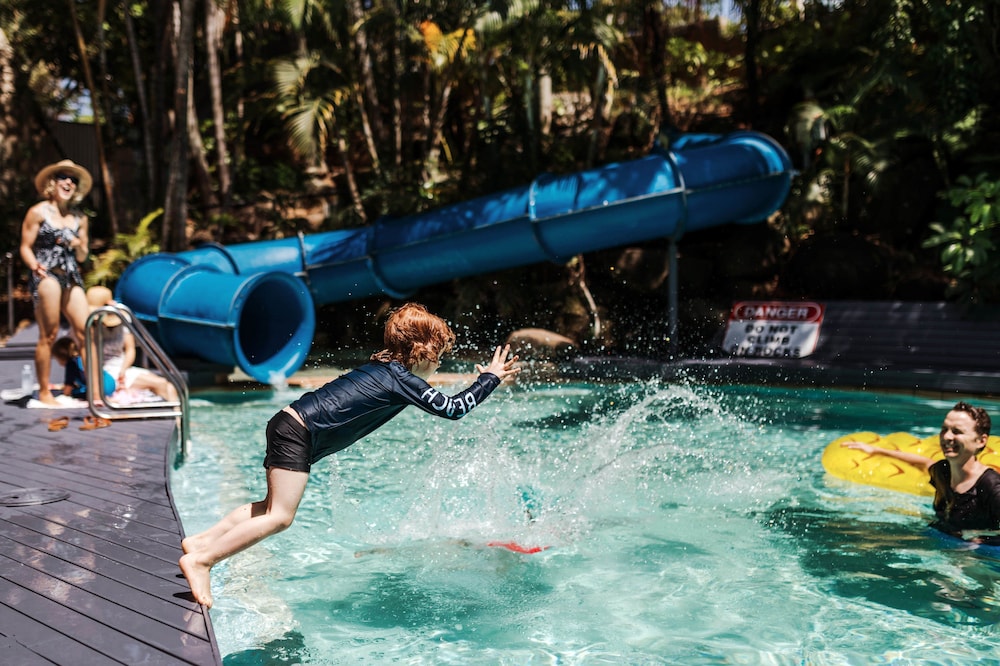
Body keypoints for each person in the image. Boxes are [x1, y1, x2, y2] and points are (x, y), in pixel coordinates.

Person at [179, 303, 521, 608]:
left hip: (289, 424)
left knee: (269, 508)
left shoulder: (385, 368)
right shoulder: (400, 378)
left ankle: (200, 542)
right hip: (299, 431)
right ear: (424, 349)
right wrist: (489, 379)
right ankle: (203, 560)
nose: (440, 362)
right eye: (440, 354)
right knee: (280, 517)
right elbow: (453, 408)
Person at [842, 402, 1000, 545]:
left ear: (981, 441)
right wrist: (877, 450)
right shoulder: (943, 471)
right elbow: (924, 462)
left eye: (957, 431)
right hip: (941, 537)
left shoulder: (990, 486)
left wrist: (979, 541)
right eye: (944, 429)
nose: (946, 436)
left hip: (977, 556)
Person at [19, 159, 93, 405]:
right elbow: (25, 247)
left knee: (85, 332)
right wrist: (33, 266)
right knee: (49, 334)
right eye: (63, 177)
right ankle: (44, 392)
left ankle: (94, 390)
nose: (69, 182)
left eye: (73, 179)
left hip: (71, 275)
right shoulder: (37, 212)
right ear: (53, 182)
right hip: (46, 273)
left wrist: (78, 245)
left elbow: (83, 256)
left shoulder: (80, 218)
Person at [86, 286, 179, 403]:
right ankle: (177, 416)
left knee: (169, 386)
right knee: (161, 385)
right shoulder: (88, 326)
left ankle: (178, 418)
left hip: (122, 367)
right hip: (105, 372)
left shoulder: (122, 320)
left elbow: (130, 349)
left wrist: (123, 369)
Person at [52, 336, 116, 400]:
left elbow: (68, 388)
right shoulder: (81, 358)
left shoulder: (71, 364)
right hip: (110, 382)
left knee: (74, 393)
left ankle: (102, 396)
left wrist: (64, 394)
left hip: (103, 388)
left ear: (61, 357)